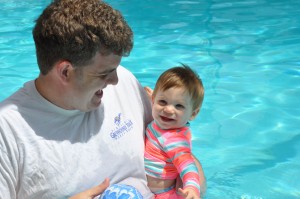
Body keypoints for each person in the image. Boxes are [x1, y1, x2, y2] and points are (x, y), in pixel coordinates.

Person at [0, 0, 205, 199]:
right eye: (105, 73)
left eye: (115, 69)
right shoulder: (8, 132)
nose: (115, 80)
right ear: (65, 71)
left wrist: (191, 186)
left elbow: (173, 146)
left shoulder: (124, 81)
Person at [144, 65, 204, 199]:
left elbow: (187, 164)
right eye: (163, 102)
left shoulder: (174, 140)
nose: (168, 110)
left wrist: (192, 187)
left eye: (179, 106)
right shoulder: (163, 124)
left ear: (193, 114)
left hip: (163, 194)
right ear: (153, 100)